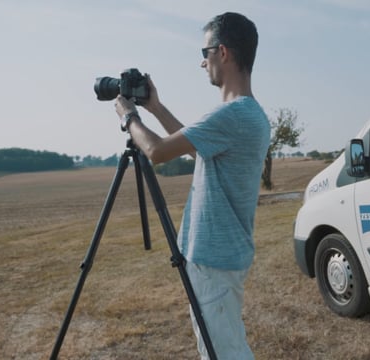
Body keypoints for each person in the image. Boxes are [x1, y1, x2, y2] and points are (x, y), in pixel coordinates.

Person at [114, 12, 270, 359]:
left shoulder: (233, 114)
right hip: (221, 256)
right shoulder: (246, 113)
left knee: (224, 353)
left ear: (223, 53)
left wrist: (128, 117)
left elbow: (156, 150)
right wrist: (155, 107)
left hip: (214, 260)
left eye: (205, 53)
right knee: (223, 346)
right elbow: (195, 146)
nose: (203, 63)